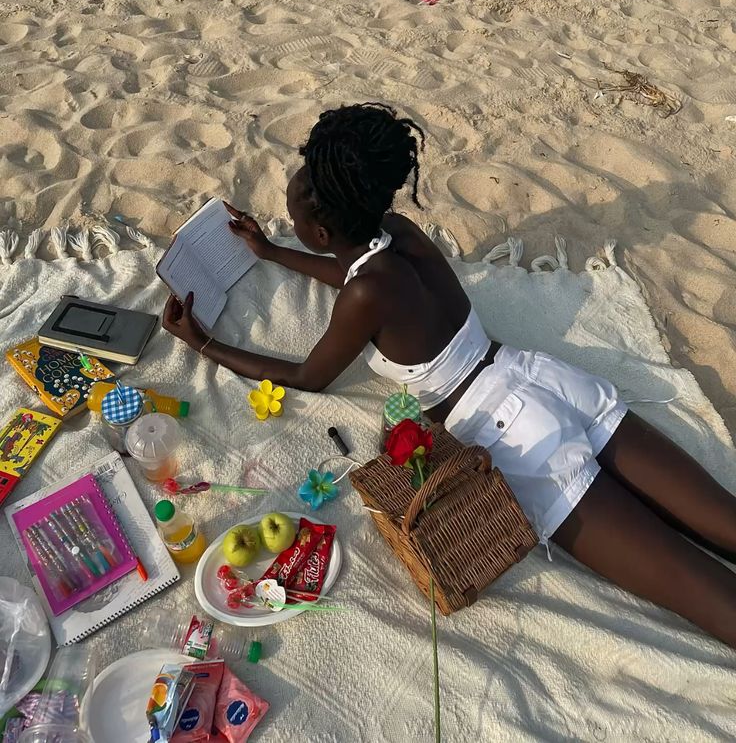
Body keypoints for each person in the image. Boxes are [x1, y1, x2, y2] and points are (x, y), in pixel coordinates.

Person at [164, 102, 736, 648]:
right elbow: (356, 271)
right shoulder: (400, 232)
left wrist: (204, 343)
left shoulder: (365, 295)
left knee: (704, 594)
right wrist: (271, 252)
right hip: (544, 380)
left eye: (296, 224)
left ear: (319, 235)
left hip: (515, 439)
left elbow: (310, 374)